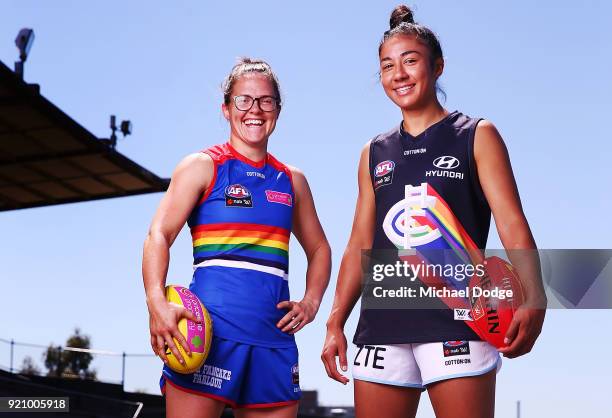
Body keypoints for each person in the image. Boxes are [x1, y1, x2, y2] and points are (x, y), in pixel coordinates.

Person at [321, 5, 546, 418]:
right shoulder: (373, 152)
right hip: (382, 326)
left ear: (438, 66)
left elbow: (512, 221)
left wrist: (535, 296)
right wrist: (336, 320)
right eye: (388, 66)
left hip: (460, 320)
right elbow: (358, 242)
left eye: (410, 61)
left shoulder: (477, 135)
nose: (399, 74)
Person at [143, 58, 331, 418]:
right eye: (244, 100)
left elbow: (320, 248)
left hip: (273, 342)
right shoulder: (202, 166)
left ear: (278, 109)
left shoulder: (292, 181)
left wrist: (310, 302)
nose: (255, 110)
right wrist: (156, 302)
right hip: (206, 337)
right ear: (226, 108)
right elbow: (158, 234)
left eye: (266, 101)